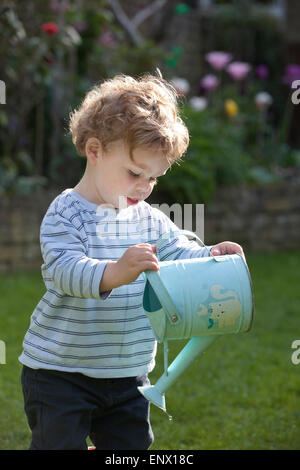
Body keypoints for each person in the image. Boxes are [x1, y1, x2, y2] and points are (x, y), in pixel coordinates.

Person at [19, 71, 244, 450]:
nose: (145, 186)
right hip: (60, 373)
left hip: (129, 374)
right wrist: (114, 272)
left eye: (154, 179)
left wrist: (210, 256)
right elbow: (63, 270)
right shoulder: (66, 213)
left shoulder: (148, 218)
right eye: (136, 173)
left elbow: (177, 254)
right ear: (95, 151)